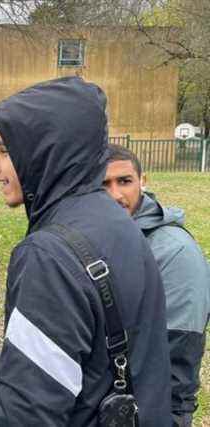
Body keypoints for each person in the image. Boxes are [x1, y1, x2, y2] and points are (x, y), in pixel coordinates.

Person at [0, 76, 171, 425]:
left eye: (3, 150)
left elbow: (29, 411)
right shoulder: (117, 223)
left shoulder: (49, 255)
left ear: (45, 148)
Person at [104, 143, 210, 427]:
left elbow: (179, 358)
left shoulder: (176, 253)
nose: (115, 194)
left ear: (143, 181)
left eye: (124, 181)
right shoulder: (104, 236)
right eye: (104, 184)